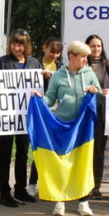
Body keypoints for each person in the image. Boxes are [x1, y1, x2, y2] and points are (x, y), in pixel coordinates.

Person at [38, 40, 102, 215]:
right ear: (71, 56)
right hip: (63, 126)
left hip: (83, 127)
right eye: (82, 57)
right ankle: (60, 201)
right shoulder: (58, 75)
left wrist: (95, 89)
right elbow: (50, 98)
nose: (85, 60)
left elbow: (100, 92)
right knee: (62, 163)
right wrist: (38, 99)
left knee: (83, 163)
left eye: (86, 57)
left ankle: (84, 202)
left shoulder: (89, 73)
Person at [0, 29, 44, 207]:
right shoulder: (1, 63)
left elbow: (41, 90)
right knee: (5, 154)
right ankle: (4, 192)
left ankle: (20, 189)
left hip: (26, 117)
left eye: (20, 44)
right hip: (5, 118)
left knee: (22, 154)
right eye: (14, 44)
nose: (16, 47)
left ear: (26, 46)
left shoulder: (34, 63)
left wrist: (45, 78)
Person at [27, 37, 63, 198]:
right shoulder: (34, 64)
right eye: (52, 51)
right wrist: (41, 77)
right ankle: (32, 183)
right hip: (40, 114)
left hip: (57, 115)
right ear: (44, 48)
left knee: (55, 150)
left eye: (58, 52)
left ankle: (52, 184)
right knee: (41, 148)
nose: (55, 55)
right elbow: (26, 83)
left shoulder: (62, 67)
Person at [85, 34, 109, 200]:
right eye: (92, 46)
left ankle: (96, 186)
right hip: (85, 113)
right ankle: (83, 185)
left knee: (98, 151)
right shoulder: (81, 65)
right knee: (84, 150)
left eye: (99, 46)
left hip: (102, 113)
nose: (96, 49)